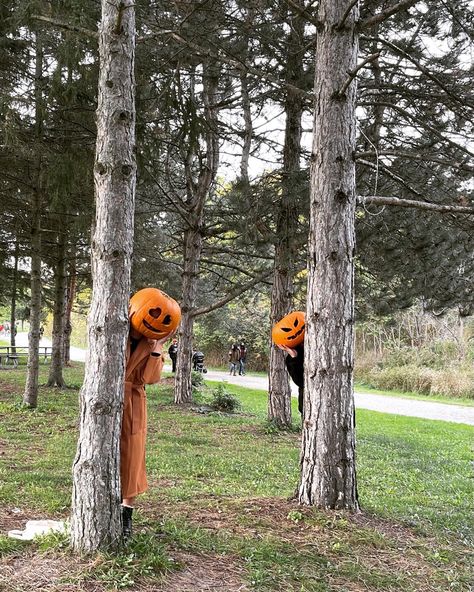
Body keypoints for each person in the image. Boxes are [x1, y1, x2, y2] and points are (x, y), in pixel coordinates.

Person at [121, 287, 181, 540]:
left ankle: (126, 514)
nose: (157, 319)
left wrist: (157, 348)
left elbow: (150, 378)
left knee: (132, 457)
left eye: (165, 318)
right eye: (153, 312)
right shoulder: (115, 330)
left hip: (134, 402)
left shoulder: (150, 342)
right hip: (106, 401)